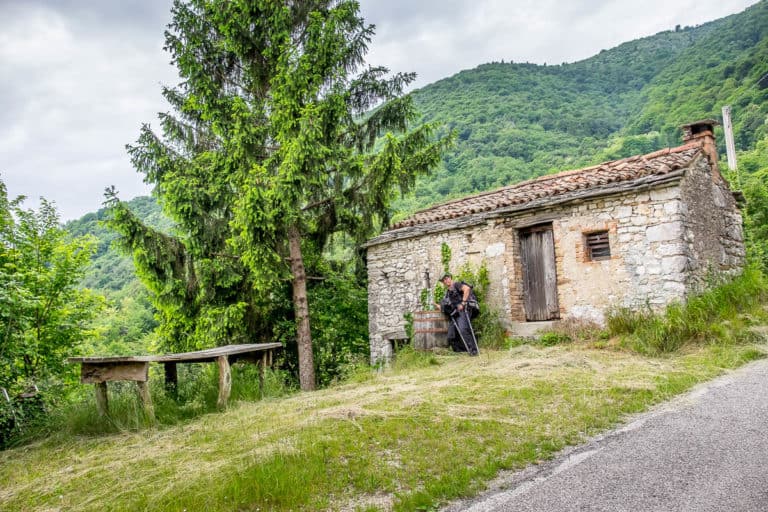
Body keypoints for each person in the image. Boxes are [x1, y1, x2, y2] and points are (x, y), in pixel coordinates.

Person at [439, 273, 479, 356]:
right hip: (456, 313)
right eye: (443, 280)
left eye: (446, 278)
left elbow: (467, 289)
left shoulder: (456, 285)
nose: (446, 281)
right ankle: (463, 350)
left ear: (450, 278)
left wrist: (463, 303)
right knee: (451, 334)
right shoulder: (447, 293)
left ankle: (473, 350)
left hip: (464, 309)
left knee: (463, 329)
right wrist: (437, 305)